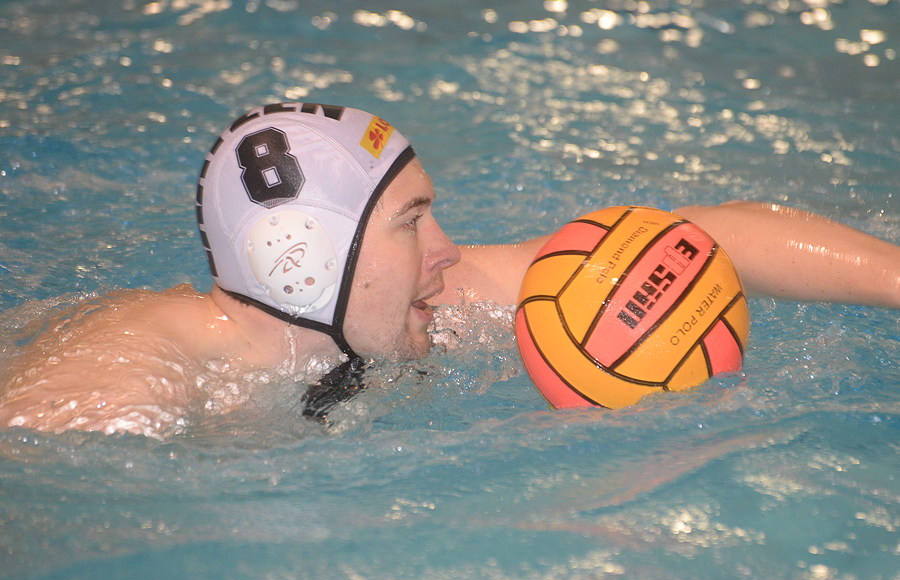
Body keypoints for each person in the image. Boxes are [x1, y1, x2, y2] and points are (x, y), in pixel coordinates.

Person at [1, 102, 898, 438]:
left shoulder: (416, 303)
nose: (448, 251)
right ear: (304, 261)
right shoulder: (130, 370)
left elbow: (689, 238)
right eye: (411, 222)